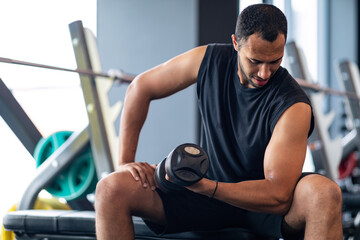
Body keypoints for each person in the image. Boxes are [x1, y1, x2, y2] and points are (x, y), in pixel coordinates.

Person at [95, 4, 343, 240]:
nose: (265, 73)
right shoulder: (209, 60)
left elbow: (278, 195)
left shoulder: (293, 104)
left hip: (263, 207)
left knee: (324, 193)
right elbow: (140, 87)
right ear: (236, 43)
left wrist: (208, 187)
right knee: (110, 189)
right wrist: (124, 161)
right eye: (255, 61)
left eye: (275, 61)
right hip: (205, 197)